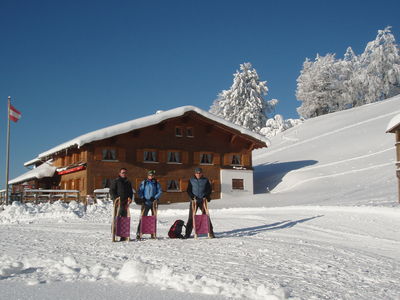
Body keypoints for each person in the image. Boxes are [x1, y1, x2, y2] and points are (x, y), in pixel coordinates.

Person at [184, 167, 215, 238]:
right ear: (195, 173)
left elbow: (209, 189)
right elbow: (188, 190)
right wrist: (192, 196)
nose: (198, 174)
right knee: (191, 217)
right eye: (197, 173)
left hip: (202, 200)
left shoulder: (205, 180)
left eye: (199, 173)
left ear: (202, 173)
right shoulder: (191, 180)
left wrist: (206, 195)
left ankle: (211, 232)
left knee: (206, 216)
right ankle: (187, 234)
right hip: (194, 200)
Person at [109, 168, 134, 241]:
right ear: (119, 173)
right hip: (118, 202)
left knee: (124, 218)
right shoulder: (116, 181)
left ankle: (123, 235)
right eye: (122, 172)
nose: (124, 174)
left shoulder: (128, 182)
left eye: (125, 172)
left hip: (125, 203)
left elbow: (130, 192)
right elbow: (112, 191)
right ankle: (114, 233)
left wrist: (130, 197)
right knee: (117, 217)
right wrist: (116, 199)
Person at [136, 170, 162, 238]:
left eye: (152, 175)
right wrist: (142, 197)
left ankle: (153, 233)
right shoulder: (144, 182)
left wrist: (154, 197)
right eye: (150, 175)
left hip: (153, 203)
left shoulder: (156, 183)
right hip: (145, 202)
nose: (151, 176)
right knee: (143, 217)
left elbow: (160, 191)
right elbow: (139, 191)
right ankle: (139, 233)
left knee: (153, 218)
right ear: (148, 176)